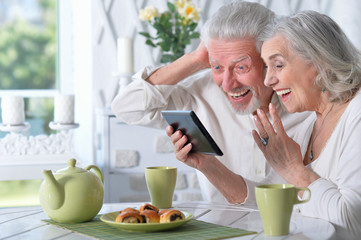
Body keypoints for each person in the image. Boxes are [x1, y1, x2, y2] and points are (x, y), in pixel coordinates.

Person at [111, 1, 314, 203]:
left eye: (241, 67)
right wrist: (195, 59)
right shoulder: (201, 93)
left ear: (269, 61)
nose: (227, 84)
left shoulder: (308, 105)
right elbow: (127, 108)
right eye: (217, 67)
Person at [251, 11, 361, 239]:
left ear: (320, 61)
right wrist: (207, 164)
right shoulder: (309, 123)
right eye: (266, 67)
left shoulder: (357, 113)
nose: (267, 80)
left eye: (278, 65)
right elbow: (265, 201)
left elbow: (353, 226)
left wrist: (293, 169)